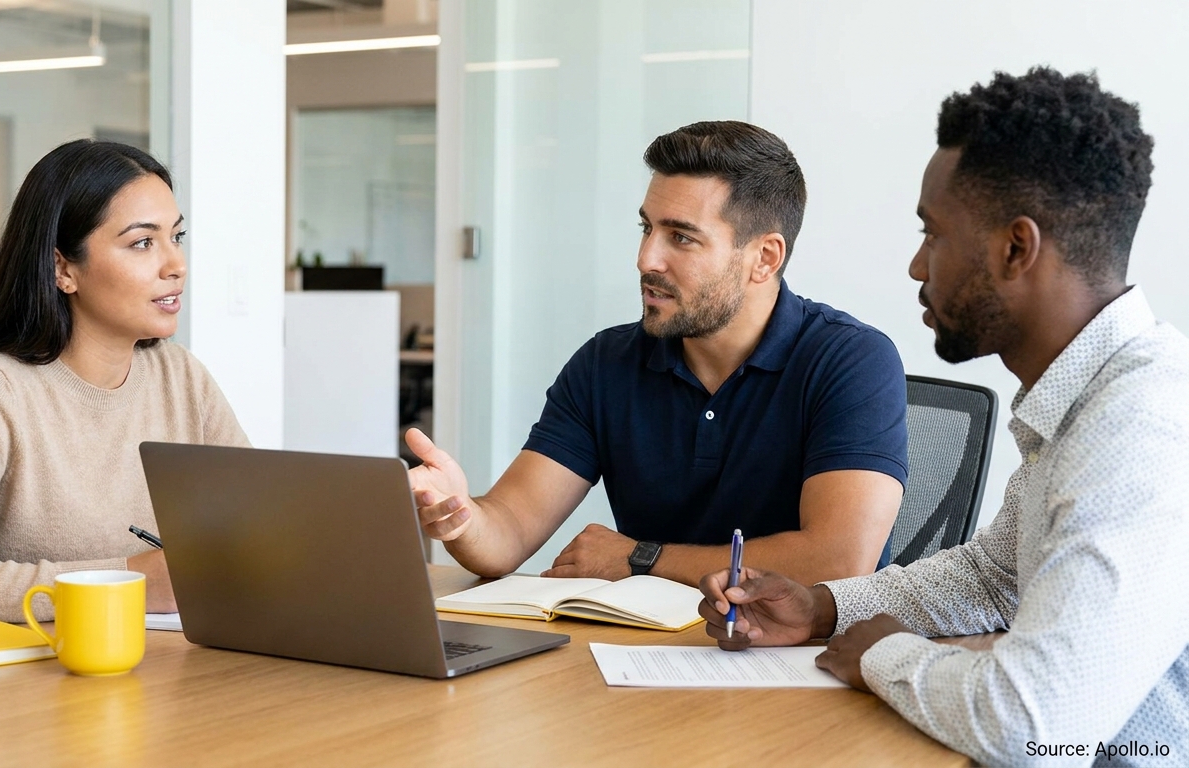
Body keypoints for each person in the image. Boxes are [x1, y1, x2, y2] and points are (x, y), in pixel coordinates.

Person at [699, 68, 1188, 766]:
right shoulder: (1088, 400)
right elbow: (993, 579)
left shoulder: (1141, 428)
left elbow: (1034, 727)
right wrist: (822, 608)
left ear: (1016, 248)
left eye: (933, 235)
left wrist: (883, 655)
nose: (914, 265)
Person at [407, 121, 909, 587]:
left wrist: (640, 559)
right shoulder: (606, 363)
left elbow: (840, 560)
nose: (646, 259)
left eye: (681, 237)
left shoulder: (852, 360)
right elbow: (509, 530)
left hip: (794, 661)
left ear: (764, 257)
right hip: (640, 657)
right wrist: (462, 516)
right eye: (647, 228)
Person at [0, 140, 249, 623]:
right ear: (62, 268)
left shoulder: (180, 376)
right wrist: (127, 583)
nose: (175, 265)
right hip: (27, 679)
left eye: (176, 237)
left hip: (159, 666)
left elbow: (257, 529)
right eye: (142, 242)